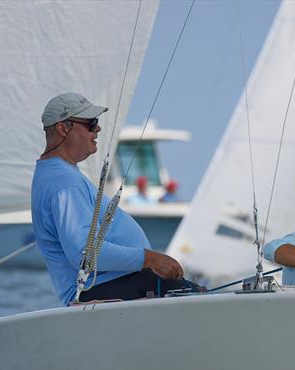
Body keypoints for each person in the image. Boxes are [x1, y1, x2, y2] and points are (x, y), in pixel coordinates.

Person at [31, 92, 196, 305]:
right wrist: (150, 259)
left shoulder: (57, 174)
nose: (97, 129)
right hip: (100, 289)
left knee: (199, 294)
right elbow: (84, 254)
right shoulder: (63, 181)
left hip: (115, 286)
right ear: (63, 129)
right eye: (90, 124)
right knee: (202, 298)